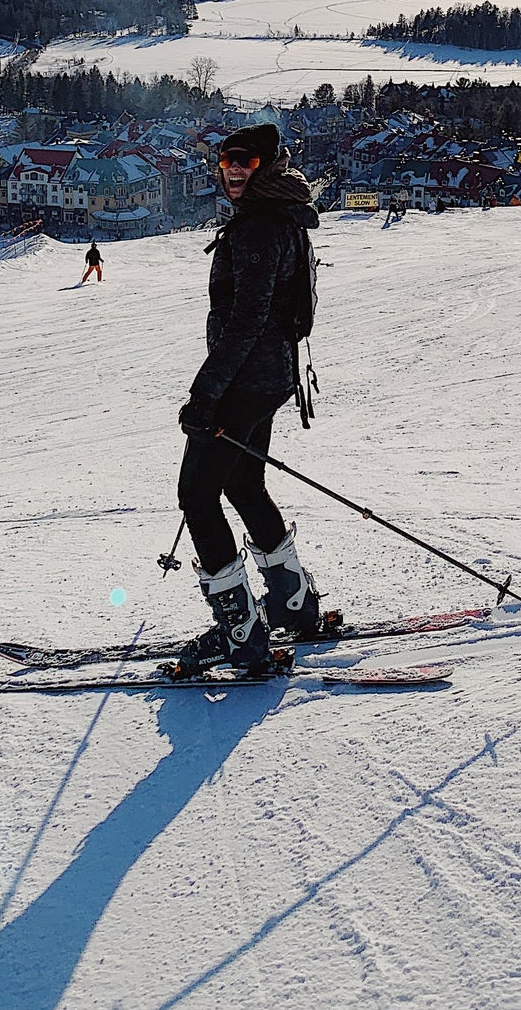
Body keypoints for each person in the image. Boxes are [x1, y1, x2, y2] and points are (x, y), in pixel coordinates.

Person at [172, 124, 323, 675]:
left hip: (247, 382)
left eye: (245, 161)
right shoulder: (279, 213)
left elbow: (246, 321)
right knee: (242, 482)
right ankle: (292, 601)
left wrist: (205, 396)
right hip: (271, 377)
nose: (233, 169)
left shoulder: (258, 228)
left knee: (196, 494)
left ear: (266, 165)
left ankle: (241, 633)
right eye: (226, 160)